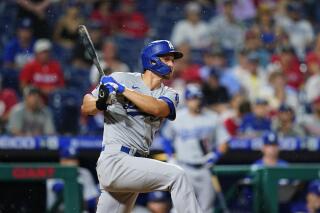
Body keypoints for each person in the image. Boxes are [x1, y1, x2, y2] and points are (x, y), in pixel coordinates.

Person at [81, 40, 203, 213]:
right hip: (115, 160)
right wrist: (101, 102)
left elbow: (157, 108)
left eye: (172, 60)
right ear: (152, 60)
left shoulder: (169, 93)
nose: (171, 64)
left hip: (135, 164)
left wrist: (122, 91)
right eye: (167, 59)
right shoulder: (121, 78)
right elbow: (86, 107)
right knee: (177, 176)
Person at [160, 84, 230, 213]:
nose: (196, 101)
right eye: (192, 98)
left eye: (198, 98)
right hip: (184, 167)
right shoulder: (176, 117)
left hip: (205, 168)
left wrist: (216, 155)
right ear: (186, 99)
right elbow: (166, 139)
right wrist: (170, 156)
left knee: (206, 209)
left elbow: (224, 143)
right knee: (180, 208)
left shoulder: (213, 117)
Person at [47, 147, 99, 213]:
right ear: (62, 161)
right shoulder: (54, 172)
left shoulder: (84, 172)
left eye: (75, 159)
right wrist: (84, 202)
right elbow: (61, 190)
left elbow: (92, 197)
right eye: (69, 159)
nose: (73, 162)